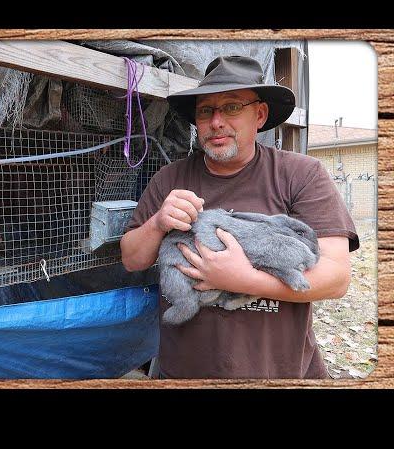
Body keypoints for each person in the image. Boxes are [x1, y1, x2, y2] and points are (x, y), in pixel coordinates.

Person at [120, 55, 359, 379]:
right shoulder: (169, 179)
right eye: (206, 110)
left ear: (259, 115)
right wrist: (159, 222)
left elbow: (336, 277)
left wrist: (243, 280)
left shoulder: (300, 174)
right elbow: (131, 259)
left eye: (231, 107)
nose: (216, 121)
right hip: (185, 372)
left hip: (278, 372)